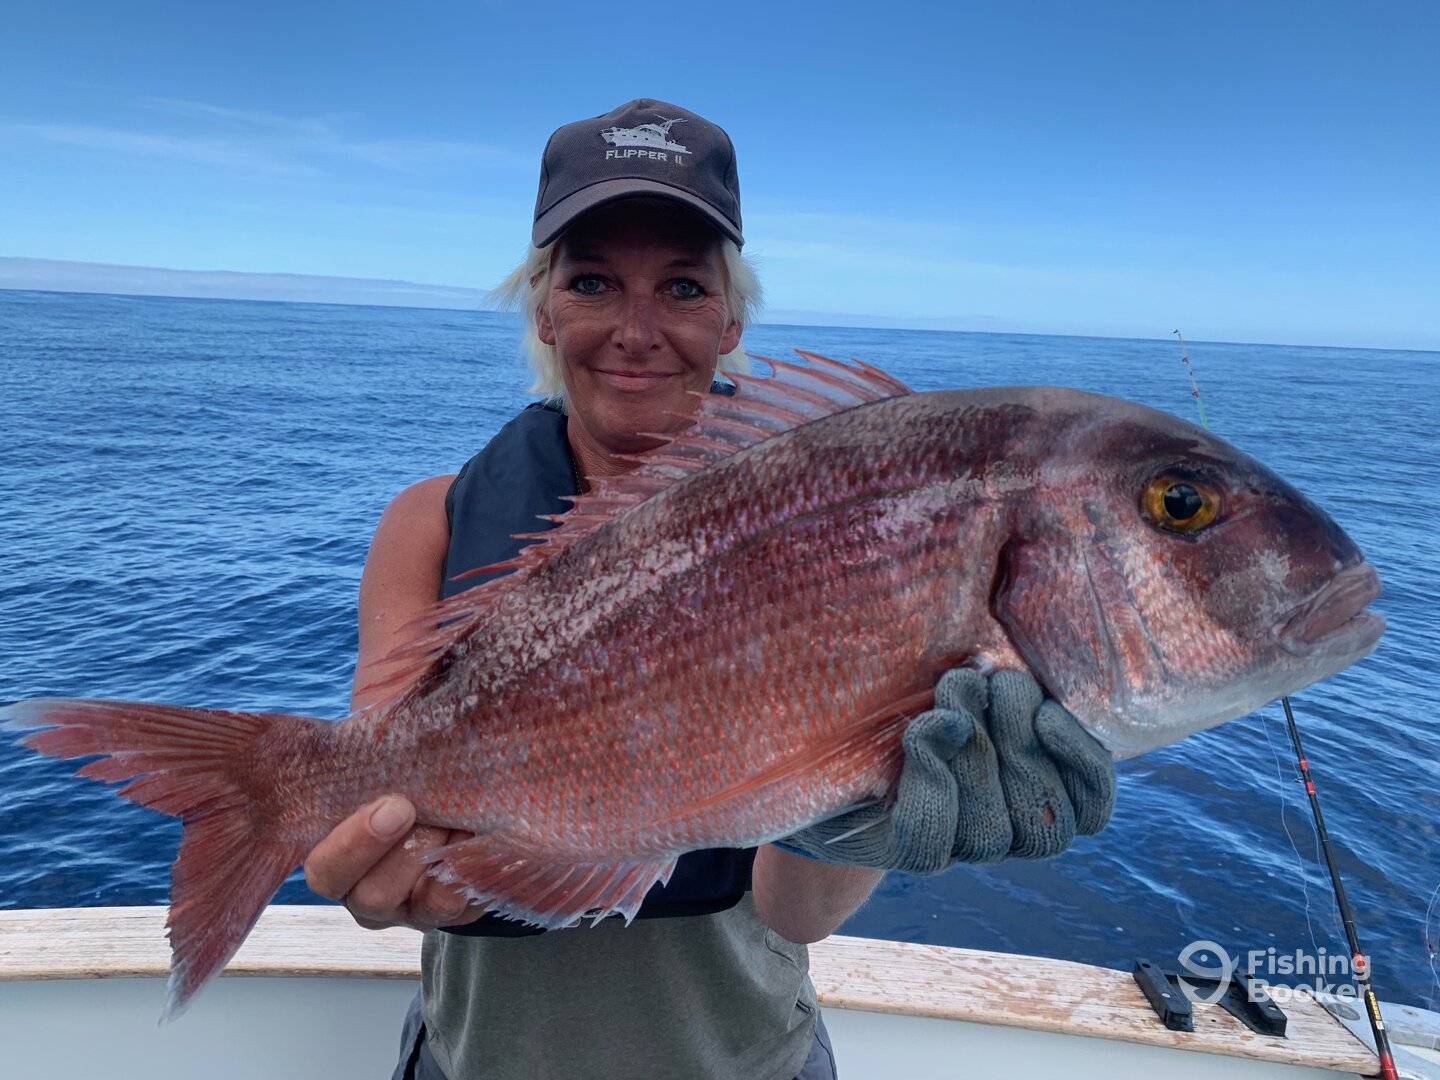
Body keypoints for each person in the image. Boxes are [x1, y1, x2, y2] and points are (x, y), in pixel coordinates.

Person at [301, 99, 1116, 1080]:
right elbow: (388, 795)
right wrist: (383, 851)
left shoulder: (827, 531)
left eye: (682, 287)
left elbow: (795, 915)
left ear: (730, 321)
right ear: (544, 310)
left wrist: (867, 817)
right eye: (593, 282)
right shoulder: (429, 520)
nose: (637, 330)